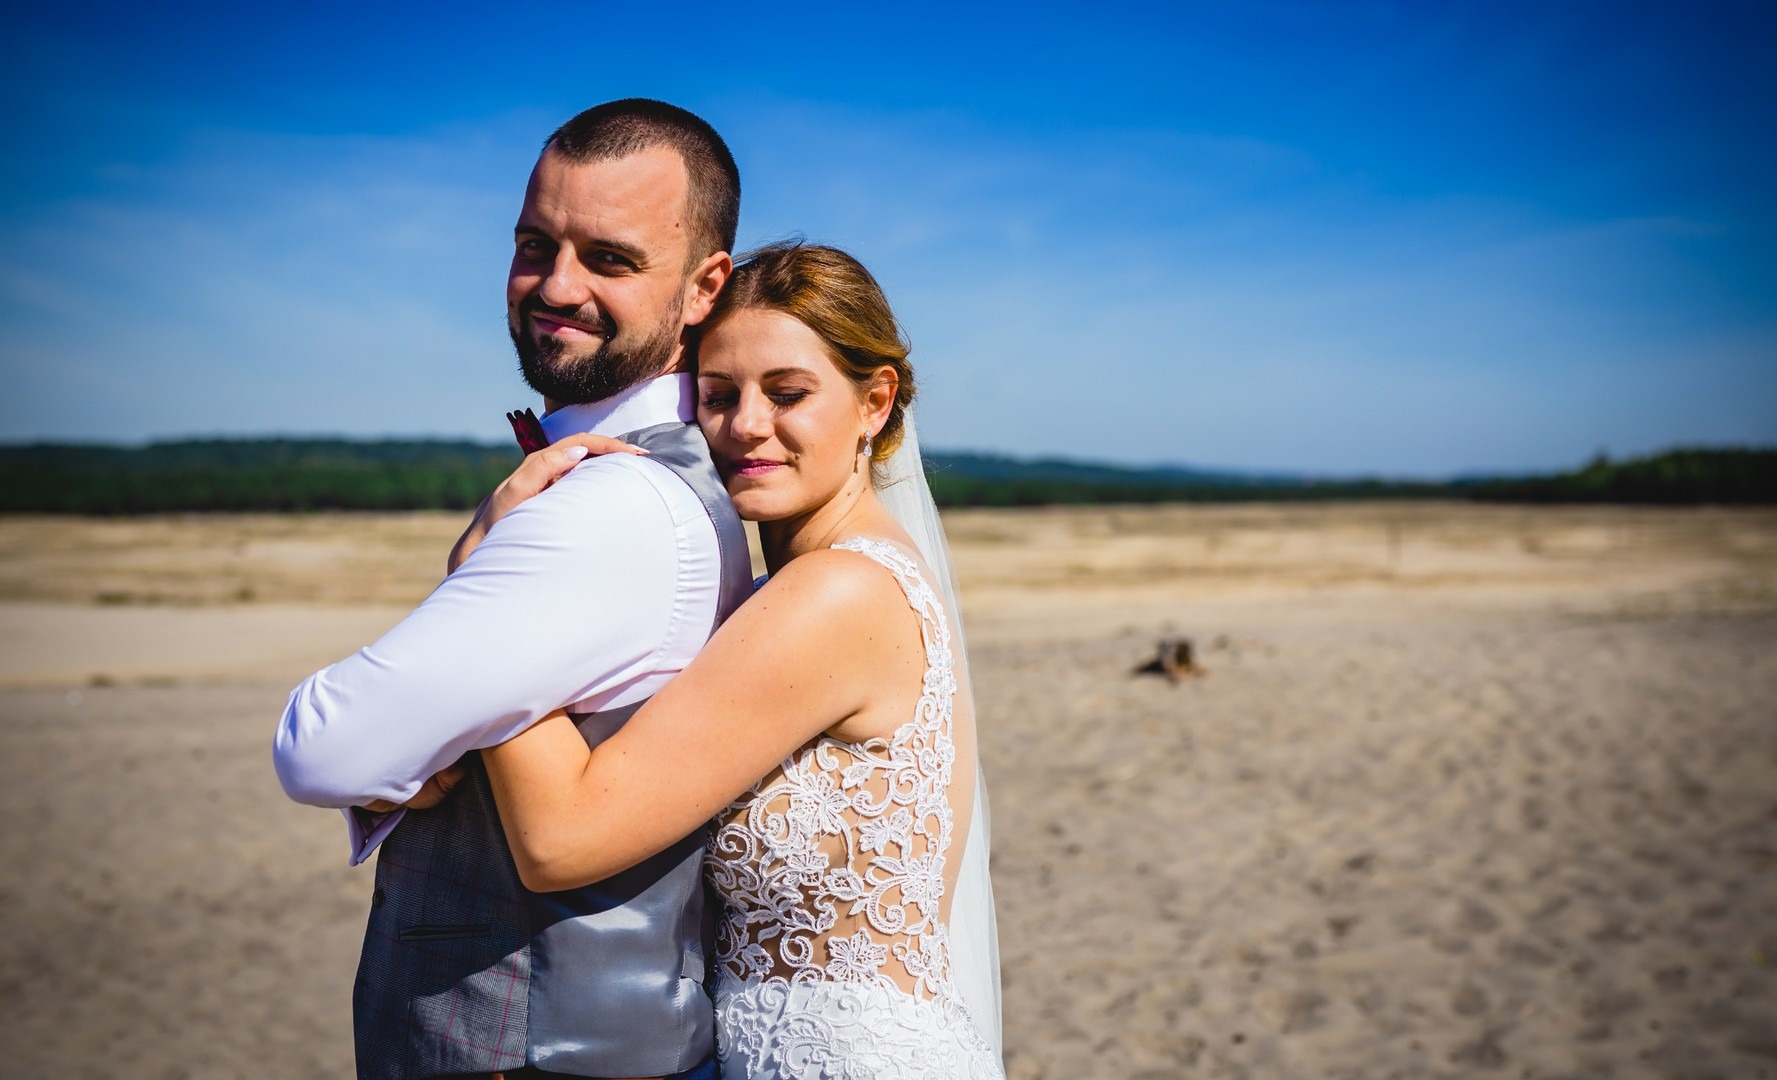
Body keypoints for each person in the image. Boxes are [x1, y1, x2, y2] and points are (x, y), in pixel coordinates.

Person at [274, 99, 753, 1080]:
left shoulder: (610, 507)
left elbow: (320, 748)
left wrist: (472, 566)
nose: (556, 286)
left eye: (609, 260)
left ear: (706, 286)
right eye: (536, 245)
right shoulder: (637, 484)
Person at [464, 242, 1005, 1079]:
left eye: (787, 393)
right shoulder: (790, 589)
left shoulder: (837, 593)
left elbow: (561, 840)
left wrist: (493, 585)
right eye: (718, 396)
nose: (747, 424)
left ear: (874, 402)